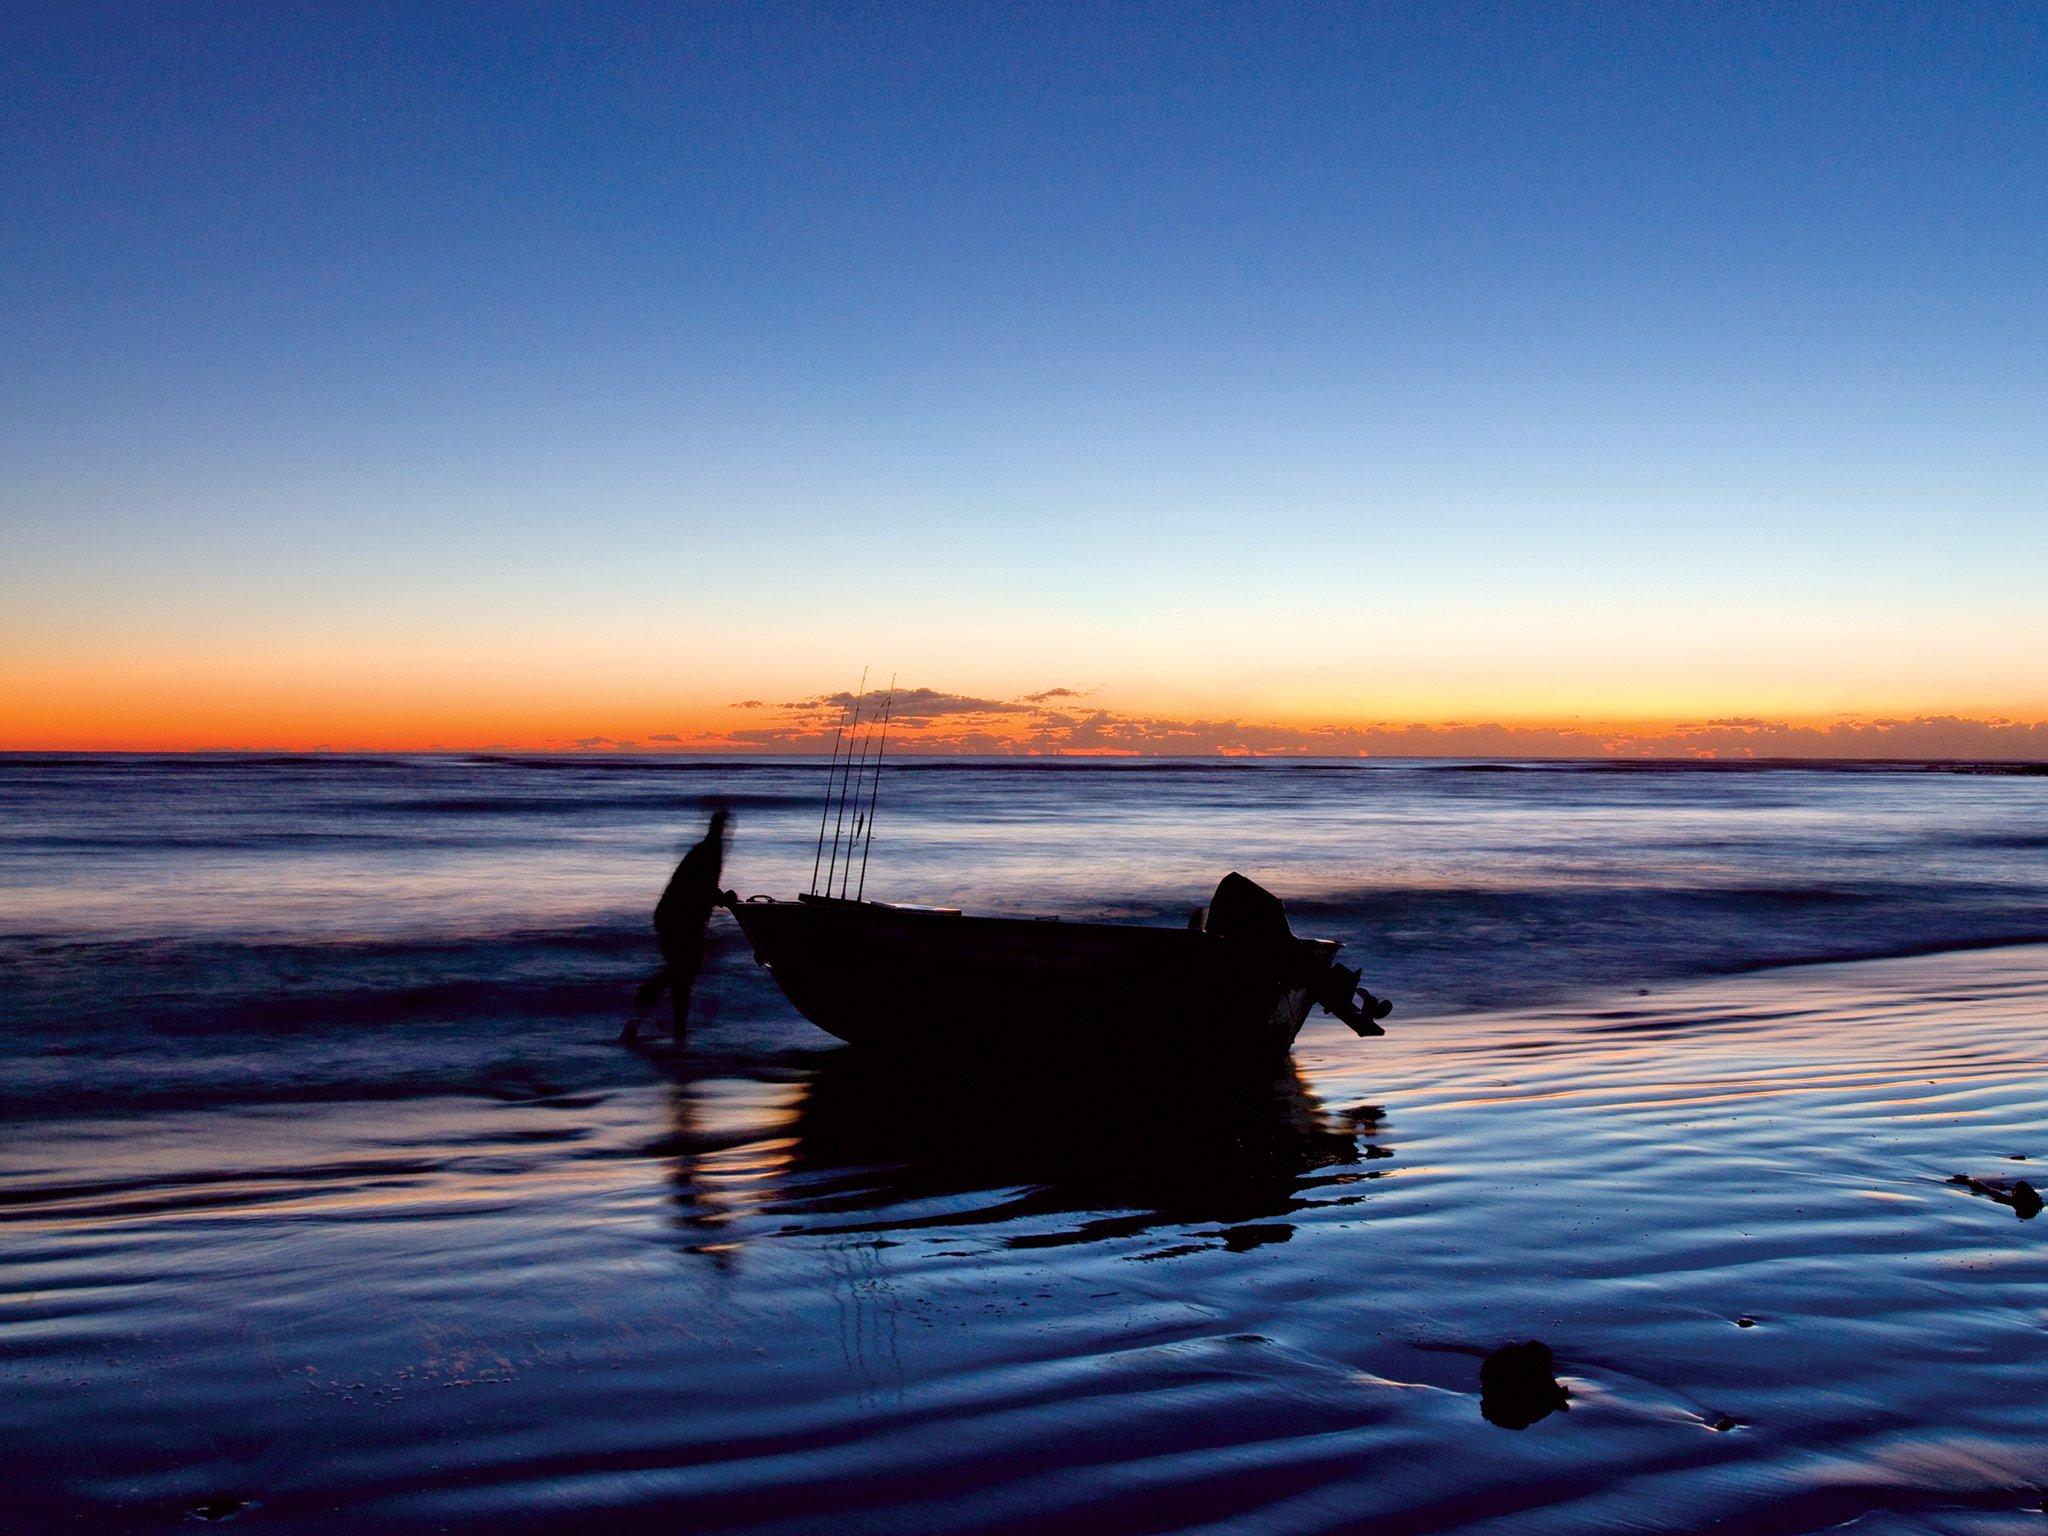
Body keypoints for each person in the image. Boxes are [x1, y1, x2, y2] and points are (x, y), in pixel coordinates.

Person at [623, 809, 730, 1043]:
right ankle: (654, 1026)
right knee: (680, 972)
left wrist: (720, 898)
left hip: (677, 917)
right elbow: (700, 887)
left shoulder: (707, 850)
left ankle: (670, 1031)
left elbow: (702, 887)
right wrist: (722, 899)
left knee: (681, 974)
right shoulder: (708, 852)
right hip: (676, 918)